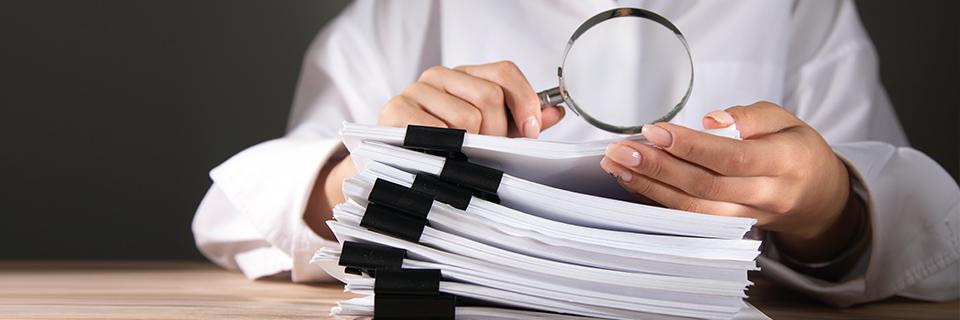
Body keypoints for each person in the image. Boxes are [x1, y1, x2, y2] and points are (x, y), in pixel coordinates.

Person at [192, 0, 959, 307]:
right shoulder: (410, 8)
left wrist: (832, 206)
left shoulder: (798, 8)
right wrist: (365, 175)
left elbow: (924, 236)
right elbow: (235, 210)